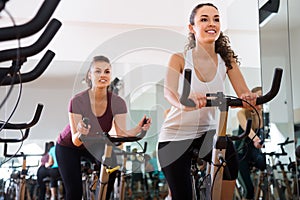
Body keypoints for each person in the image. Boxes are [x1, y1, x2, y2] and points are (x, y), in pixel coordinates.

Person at [157, 3, 259, 200]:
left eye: (216, 19)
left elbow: (243, 94)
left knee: (230, 161)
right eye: (204, 19)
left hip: (207, 133)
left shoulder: (226, 59)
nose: (211, 23)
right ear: (191, 28)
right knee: (182, 195)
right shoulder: (179, 58)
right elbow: (168, 93)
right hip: (175, 137)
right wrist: (183, 102)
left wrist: (248, 99)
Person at [55, 55, 151, 200]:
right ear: (90, 75)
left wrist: (139, 129)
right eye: (98, 71)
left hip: (95, 143)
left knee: (112, 159)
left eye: (107, 71)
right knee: (74, 192)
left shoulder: (118, 102)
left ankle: (104, 195)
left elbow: (120, 134)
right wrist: (81, 133)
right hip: (69, 147)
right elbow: (76, 141)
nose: (103, 75)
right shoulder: (77, 101)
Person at [235, 86, 266, 200]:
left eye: (263, 97)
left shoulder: (260, 115)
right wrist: (256, 139)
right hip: (241, 155)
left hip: (253, 154)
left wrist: (257, 111)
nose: (261, 99)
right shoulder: (241, 113)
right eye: (258, 97)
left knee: (264, 166)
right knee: (249, 190)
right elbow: (248, 129)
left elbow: (259, 129)